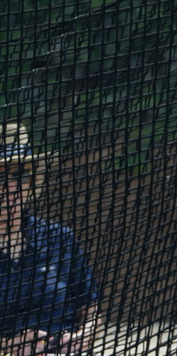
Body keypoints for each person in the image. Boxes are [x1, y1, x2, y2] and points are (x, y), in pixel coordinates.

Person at [1, 124, 103, 356]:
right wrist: (9, 346)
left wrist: (81, 337)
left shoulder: (59, 238)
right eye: (1, 177)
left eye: (20, 174)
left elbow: (90, 307)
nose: (12, 186)